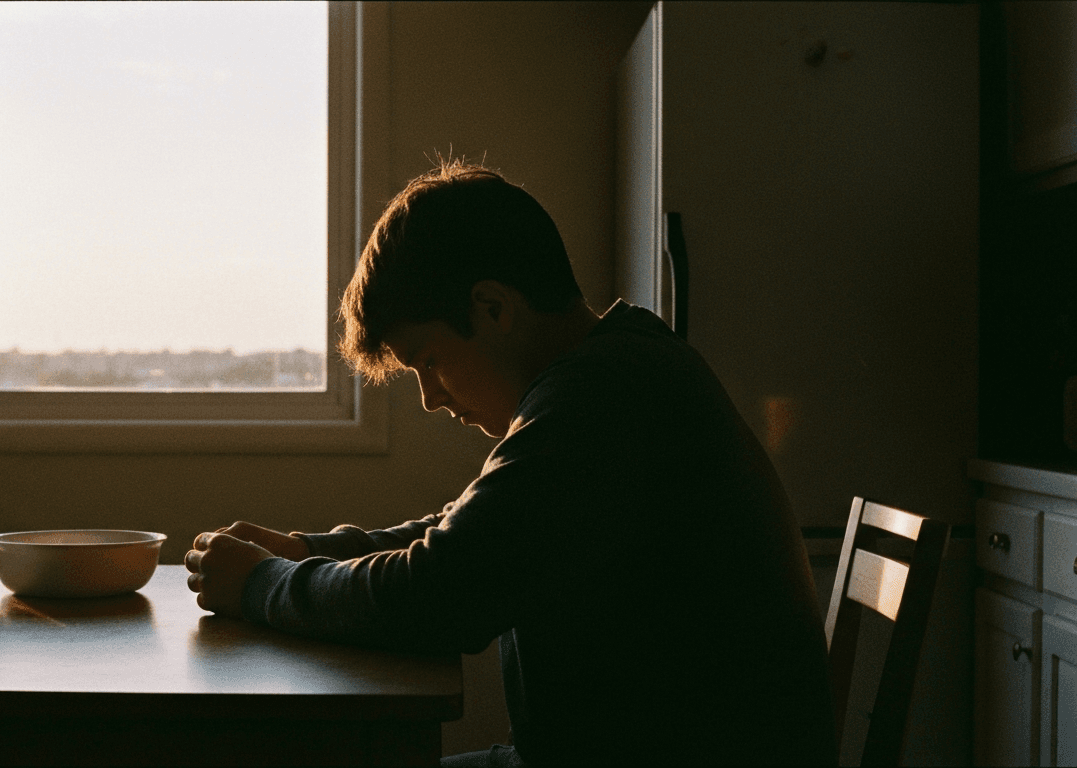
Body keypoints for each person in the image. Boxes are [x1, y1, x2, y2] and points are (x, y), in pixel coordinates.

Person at [184, 159, 837, 766]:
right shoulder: (614, 368)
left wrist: (263, 585)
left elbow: (442, 593)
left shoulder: (599, 398)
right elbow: (471, 538)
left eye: (430, 362)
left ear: (493, 309)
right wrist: (305, 550)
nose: (431, 397)